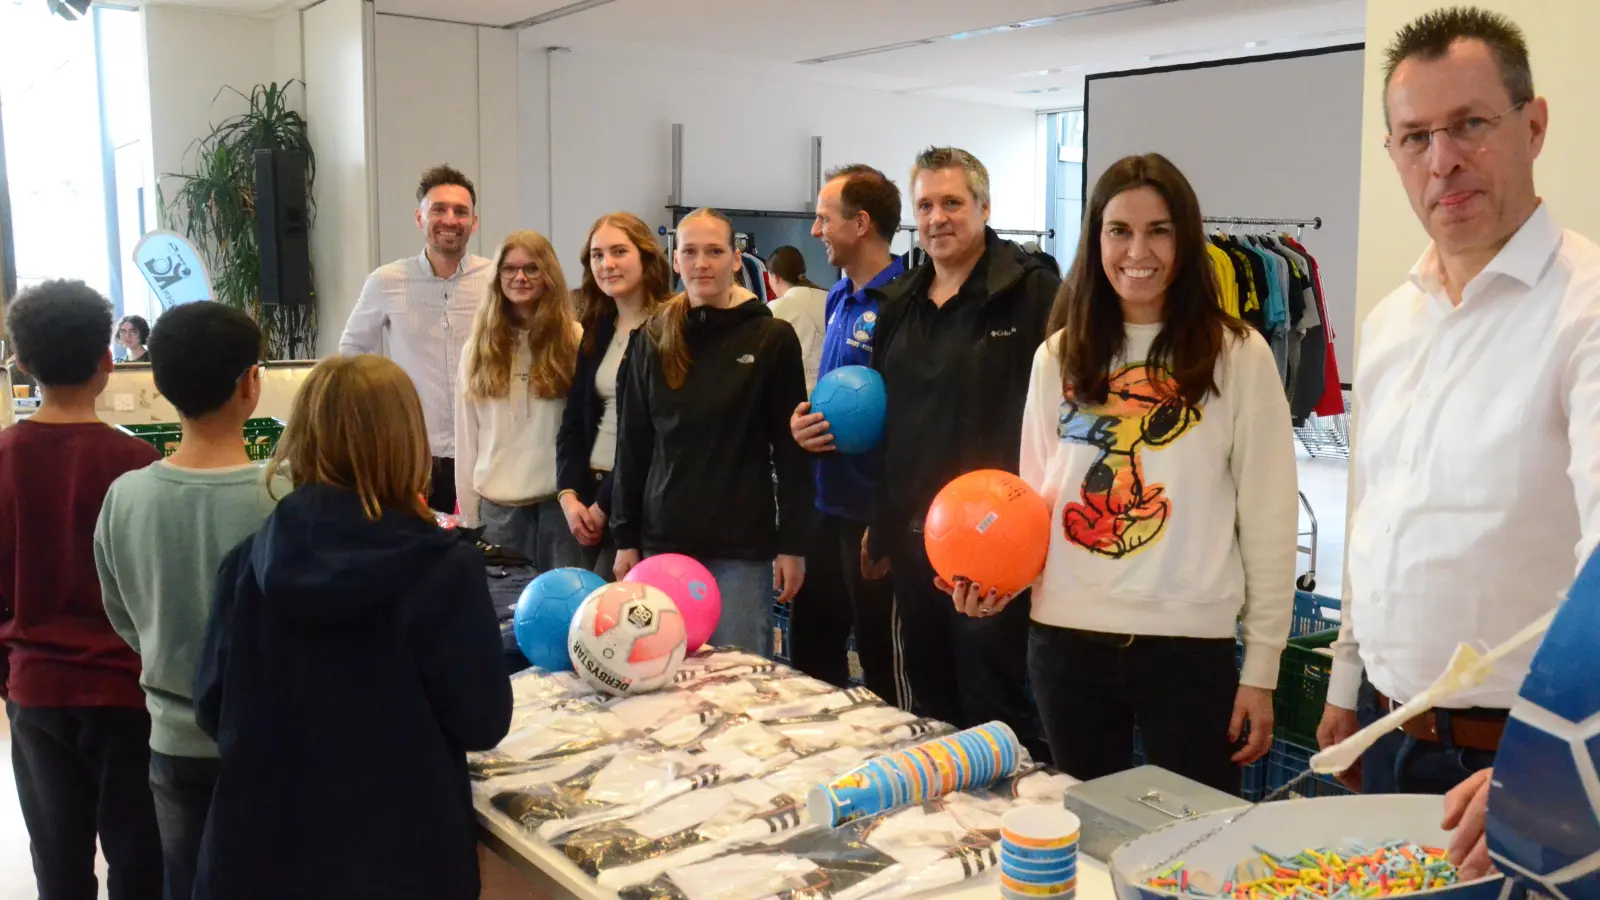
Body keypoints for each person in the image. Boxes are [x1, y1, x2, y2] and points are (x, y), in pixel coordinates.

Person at [1317, 6, 1600, 795]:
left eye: (1470, 123)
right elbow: (1374, 516)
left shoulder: (1587, 311)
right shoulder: (1391, 321)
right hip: (1387, 731)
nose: (1442, 161)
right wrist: (1348, 691)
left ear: (1534, 126)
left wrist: (1563, 753)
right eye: (1415, 137)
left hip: (1525, 759)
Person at [1016, 153, 1296, 794]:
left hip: (1189, 649)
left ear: (1186, 239)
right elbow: (1032, 498)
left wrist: (1262, 667)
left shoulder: (1238, 355)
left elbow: (1270, 517)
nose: (1137, 251)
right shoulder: (1056, 355)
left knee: (1196, 851)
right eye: (1119, 230)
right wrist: (997, 580)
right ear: (1096, 240)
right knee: (1083, 844)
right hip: (1065, 641)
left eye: (1158, 230)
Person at [191, 354, 512, 900]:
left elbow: (212, 707)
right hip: (403, 850)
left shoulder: (248, 562)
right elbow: (482, 721)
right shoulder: (443, 568)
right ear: (406, 441)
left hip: (267, 847)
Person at [864, 147, 1059, 760]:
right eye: (925, 205)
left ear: (984, 207)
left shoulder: (1031, 292)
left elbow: (1062, 415)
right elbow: (886, 422)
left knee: (995, 706)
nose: (938, 218)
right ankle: (947, 838)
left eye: (952, 203)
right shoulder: (900, 305)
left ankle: (1017, 835)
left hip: (997, 544)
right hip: (919, 540)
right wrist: (881, 521)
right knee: (931, 708)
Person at [94, 302, 284, 900]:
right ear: (251, 383)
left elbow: (122, 612)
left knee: (186, 880)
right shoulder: (285, 497)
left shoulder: (125, 496)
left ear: (158, 384)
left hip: (171, 735)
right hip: (271, 738)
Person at [0, 280, 163, 899]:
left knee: (58, 863)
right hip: (128, 691)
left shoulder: (3, 457)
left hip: (37, 690)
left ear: (20, 362)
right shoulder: (141, 466)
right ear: (107, 361)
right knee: (139, 860)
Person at [611, 208, 813, 654]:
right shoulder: (652, 337)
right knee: (662, 682)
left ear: (736, 260)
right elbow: (633, 445)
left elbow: (792, 451)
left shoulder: (771, 338)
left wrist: (793, 544)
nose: (702, 263)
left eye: (715, 251)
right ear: (675, 259)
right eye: (691, 252)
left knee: (740, 688)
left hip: (740, 551)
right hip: (662, 544)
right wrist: (625, 537)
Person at [787, 164, 907, 703]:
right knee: (811, 650)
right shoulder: (837, 297)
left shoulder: (904, 302)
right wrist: (802, 421)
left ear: (861, 224)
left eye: (823, 218)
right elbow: (834, 397)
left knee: (882, 662)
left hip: (871, 516)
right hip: (823, 506)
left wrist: (885, 522)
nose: (815, 231)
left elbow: (906, 421)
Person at [337, 164, 492, 514]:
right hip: (415, 451)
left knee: (486, 554)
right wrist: (383, 403)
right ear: (420, 218)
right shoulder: (385, 281)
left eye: (460, 211)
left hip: (484, 449)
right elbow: (352, 350)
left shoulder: (496, 278)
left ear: (474, 222)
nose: (449, 219)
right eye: (438, 209)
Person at [455, 230, 585, 570]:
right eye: (509, 269)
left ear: (549, 275)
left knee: (565, 615)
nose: (520, 277)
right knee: (505, 617)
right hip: (498, 510)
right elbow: (466, 437)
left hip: (560, 508)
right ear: (497, 277)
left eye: (531, 268)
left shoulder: (575, 339)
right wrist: (470, 519)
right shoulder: (477, 348)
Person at [557, 213, 672, 578]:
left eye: (619, 251)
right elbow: (573, 419)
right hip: (587, 497)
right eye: (597, 255)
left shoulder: (670, 329)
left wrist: (605, 503)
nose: (607, 264)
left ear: (645, 257)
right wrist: (569, 496)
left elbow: (655, 434)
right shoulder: (596, 328)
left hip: (638, 500)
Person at [765, 245, 829, 392]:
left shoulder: (777, 307)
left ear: (775, 277)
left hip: (797, 391)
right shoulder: (828, 297)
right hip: (831, 389)